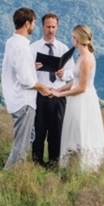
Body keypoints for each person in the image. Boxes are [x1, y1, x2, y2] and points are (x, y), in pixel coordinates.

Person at [50, 24, 104, 172]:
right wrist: (58, 88)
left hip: (83, 100)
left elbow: (81, 88)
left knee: (81, 130)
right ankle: (73, 164)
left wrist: (60, 94)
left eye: (72, 37)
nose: (71, 40)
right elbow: (74, 81)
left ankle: (84, 167)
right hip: (76, 99)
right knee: (74, 130)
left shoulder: (87, 59)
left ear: (77, 39)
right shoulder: (81, 56)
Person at [2, 7, 51, 170]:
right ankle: (10, 175)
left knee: (29, 136)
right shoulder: (22, 48)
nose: (34, 26)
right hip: (24, 101)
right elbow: (26, 80)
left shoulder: (12, 42)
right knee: (21, 145)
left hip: (17, 99)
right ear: (27, 23)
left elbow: (19, 69)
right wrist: (42, 87)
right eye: (34, 23)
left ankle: (13, 172)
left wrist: (31, 66)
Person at [30, 12, 74, 167]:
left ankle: (55, 163)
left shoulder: (63, 48)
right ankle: (37, 163)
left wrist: (63, 74)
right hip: (39, 95)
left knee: (57, 132)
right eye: (48, 27)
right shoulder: (33, 48)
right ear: (42, 27)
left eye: (53, 27)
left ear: (57, 27)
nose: (50, 30)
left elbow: (72, 73)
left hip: (58, 95)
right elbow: (24, 74)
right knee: (38, 131)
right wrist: (31, 67)